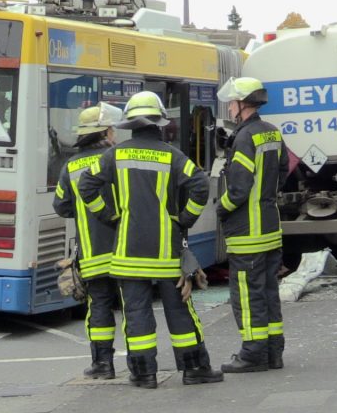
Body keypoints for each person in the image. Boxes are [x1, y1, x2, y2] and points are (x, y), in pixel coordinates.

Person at [79, 91, 224, 389]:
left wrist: (109, 216)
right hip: (166, 252)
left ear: (130, 124)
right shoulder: (172, 155)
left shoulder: (115, 154)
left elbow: (87, 186)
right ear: (159, 123)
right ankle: (194, 369)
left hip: (128, 252)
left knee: (136, 314)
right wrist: (185, 219)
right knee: (180, 310)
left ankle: (144, 374)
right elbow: (199, 186)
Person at [215, 77, 289, 373]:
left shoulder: (245, 137)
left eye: (232, 102)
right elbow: (284, 171)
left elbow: (238, 189)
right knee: (269, 291)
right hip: (271, 227)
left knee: (247, 294)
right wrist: (267, 195)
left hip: (247, 232)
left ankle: (252, 354)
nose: (230, 107)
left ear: (243, 104)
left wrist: (221, 208)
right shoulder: (271, 132)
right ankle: (274, 351)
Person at [53, 102, 123, 380]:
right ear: (105, 132)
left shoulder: (70, 166)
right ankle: (142, 366)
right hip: (126, 250)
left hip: (92, 253)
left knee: (99, 306)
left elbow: (61, 206)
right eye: (112, 128)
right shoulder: (117, 158)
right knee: (134, 306)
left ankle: (102, 365)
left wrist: (84, 213)